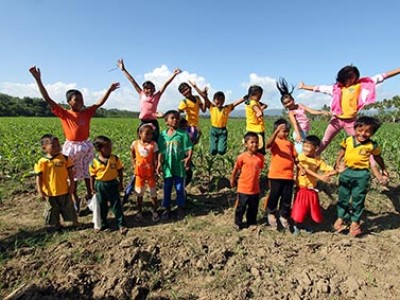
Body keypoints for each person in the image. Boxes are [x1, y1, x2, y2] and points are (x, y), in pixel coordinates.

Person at [29, 66, 120, 212]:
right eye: (76, 100)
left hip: (86, 146)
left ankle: (91, 196)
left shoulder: (87, 112)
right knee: (73, 175)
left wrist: (109, 90)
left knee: (89, 173)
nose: (80, 102)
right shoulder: (64, 114)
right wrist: (38, 79)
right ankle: (75, 199)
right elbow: (48, 99)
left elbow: (99, 103)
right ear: (69, 102)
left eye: (81, 100)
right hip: (72, 147)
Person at [298, 65, 400, 155]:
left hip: (351, 121)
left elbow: (382, 76)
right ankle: (312, 157)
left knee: (361, 142)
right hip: (336, 120)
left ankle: (371, 163)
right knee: (325, 140)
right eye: (348, 78)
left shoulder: (360, 85)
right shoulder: (335, 88)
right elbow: (319, 88)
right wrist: (304, 86)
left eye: (353, 78)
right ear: (342, 78)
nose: (351, 80)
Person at [334, 116, 388, 237]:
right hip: (346, 172)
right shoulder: (348, 140)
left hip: (361, 175)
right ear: (355, 128)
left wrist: (384, 169)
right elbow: (342, 150)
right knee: (343, 197)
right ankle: (340, 219)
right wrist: (337, 162)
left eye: (368, 131)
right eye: (360, 130)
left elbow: (378, 158)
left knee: (358, 200)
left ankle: (355, 223)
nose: (363, 134)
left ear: (372, 133)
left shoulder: (372, 145)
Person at [117, 59, 181, 142]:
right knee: (142, 142)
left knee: (154, 143)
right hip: (143, 122)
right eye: (146, 88)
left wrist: (174, 74)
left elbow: (165, 84)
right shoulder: (141, 94)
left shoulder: (157, 96)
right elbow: (132, 81)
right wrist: (123, 69)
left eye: (151, 88)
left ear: (154, 89)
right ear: (143, 90)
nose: (149, 90)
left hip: (153, 122)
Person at [291, 135, 337, 235]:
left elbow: (329, 169)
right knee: (299, 209)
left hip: (311, 188)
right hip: (301, 188)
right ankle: (296, 225)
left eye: (308, 146)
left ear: (316, 148)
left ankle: (306, 224)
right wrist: (321, 177)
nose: (305, 148)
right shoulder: (301, 157)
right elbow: (305, 169)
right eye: (304, 146)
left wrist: (333, 172)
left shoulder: (318, 160)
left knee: (309, 209)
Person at [34, 134, 79, 231]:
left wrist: (72, 185)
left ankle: (74, 223)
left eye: (58, 145)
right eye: (53, 146)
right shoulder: (42, 162)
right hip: (50, 193)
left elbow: (71, 174)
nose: (57, 148)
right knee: (52, 210)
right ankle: (56, 226)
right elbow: (39, 178)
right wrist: (40, 191)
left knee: (68, 208)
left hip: (64, 190)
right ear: (44, 148)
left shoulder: (65, 159)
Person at [189, 80, 246, 155]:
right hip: (214, 130)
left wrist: (244, 98)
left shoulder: (227, 108)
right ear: (214, 100)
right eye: (217, 100)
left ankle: (221, 150)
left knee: (222, 151)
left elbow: (236, 103)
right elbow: (204, 97)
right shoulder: (212, 107)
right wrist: (195, 87)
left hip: (223, 131)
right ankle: (213, 151)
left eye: (222, 100)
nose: (220, 101)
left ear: (224, 100)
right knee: (213, 151)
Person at [276, 77, 330, 154]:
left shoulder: (300, 105)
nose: (288, 104)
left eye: (289, 101)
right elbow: (295, 124)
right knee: (300, 151)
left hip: (305, 132)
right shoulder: (291, 113)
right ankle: (297, 161)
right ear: (284, 105)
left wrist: (322, 112)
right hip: (299, 133)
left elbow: (311, 111)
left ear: (293, 99)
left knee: (305, 149)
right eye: (285, 103)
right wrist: (298, 135)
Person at [157, 110, 193, 220]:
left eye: (177, 118)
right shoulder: (162, 135)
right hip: (167, 167)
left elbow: (189, 147)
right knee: (167, 188)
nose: (175, 120)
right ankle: (166, 208)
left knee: (179, 188)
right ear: (166, 121)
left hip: (179, 167)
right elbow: (160, 151)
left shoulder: (183, 134)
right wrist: (159, 164)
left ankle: (180, 208)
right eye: (172, 118)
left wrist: (188, 158)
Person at [89, 136, 127, 234]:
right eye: (107, 147)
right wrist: (92, 188)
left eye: (110, 146)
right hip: (100, 185)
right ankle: (103, 224)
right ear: (99, 149)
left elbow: (120, 171)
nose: (110, 149)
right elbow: (92, 176)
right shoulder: (95, 162)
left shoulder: (115, 158)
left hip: (113, 183)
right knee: (102, 206)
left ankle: (121, 224)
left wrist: (121, 184)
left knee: (116, 205)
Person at [264, 119, 297, 229]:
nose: (286, 133)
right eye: (283, 131)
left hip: (288, 175)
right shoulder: (275, 142)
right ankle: (271, 213)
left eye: (287, 131)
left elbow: (295, 157)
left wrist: (300, 169)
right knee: (274, 195)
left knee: (286, 198)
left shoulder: (290, 144)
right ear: (277, 131)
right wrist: (275, 132)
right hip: (276, 175)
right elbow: (268, 144)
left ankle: (284, 215)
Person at [230, 132, 265, 230]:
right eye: (252, 142)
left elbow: (260, 169)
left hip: (255, 188)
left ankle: (251, 222)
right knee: (241, 207)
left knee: (253, 207)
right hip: (243, 187)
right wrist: (232, 179)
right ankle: (237, 223)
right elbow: (236, 169)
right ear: (246, 144)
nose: (255, 144)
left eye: (256, 142)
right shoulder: (242, 157)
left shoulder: (260, 158)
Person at [129, 123, 160, 222]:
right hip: (139, 173)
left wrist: (156, 170)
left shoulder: (153, 144)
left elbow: (155, 159)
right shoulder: (135, 143)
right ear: (140, 133)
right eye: (147, 134)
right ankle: (139, 212)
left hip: (150, 173)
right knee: (139, 193)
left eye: (151, 134)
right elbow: (132, 153)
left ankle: (155, 211)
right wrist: (134, 163)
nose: (149, 136)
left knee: (153, 193)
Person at [244, 85, 268, 155]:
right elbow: (259, 113)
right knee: (259, 151)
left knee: (251, 150)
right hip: (257, 130)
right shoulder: (253, 103)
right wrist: (261, 109)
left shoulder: (249, 102)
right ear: (252, 95)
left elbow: (265, 105)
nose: (260, 98)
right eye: (259, 96)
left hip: (250, 128)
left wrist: (262, 106)